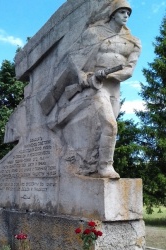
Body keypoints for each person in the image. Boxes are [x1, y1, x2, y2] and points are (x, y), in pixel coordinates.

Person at [71, 0, 141, 178]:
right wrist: (85, 77)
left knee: (102, 130)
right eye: (122, 12)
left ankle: (90, 165)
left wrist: (108, 75)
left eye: (128, 13)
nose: (126, 16)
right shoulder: (94, 33)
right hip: (97, 87)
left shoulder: (133, 42)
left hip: (114, 88)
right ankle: (105, 167)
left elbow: (129, 70)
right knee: (110, 125)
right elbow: (75, 58)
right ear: (113, 14)